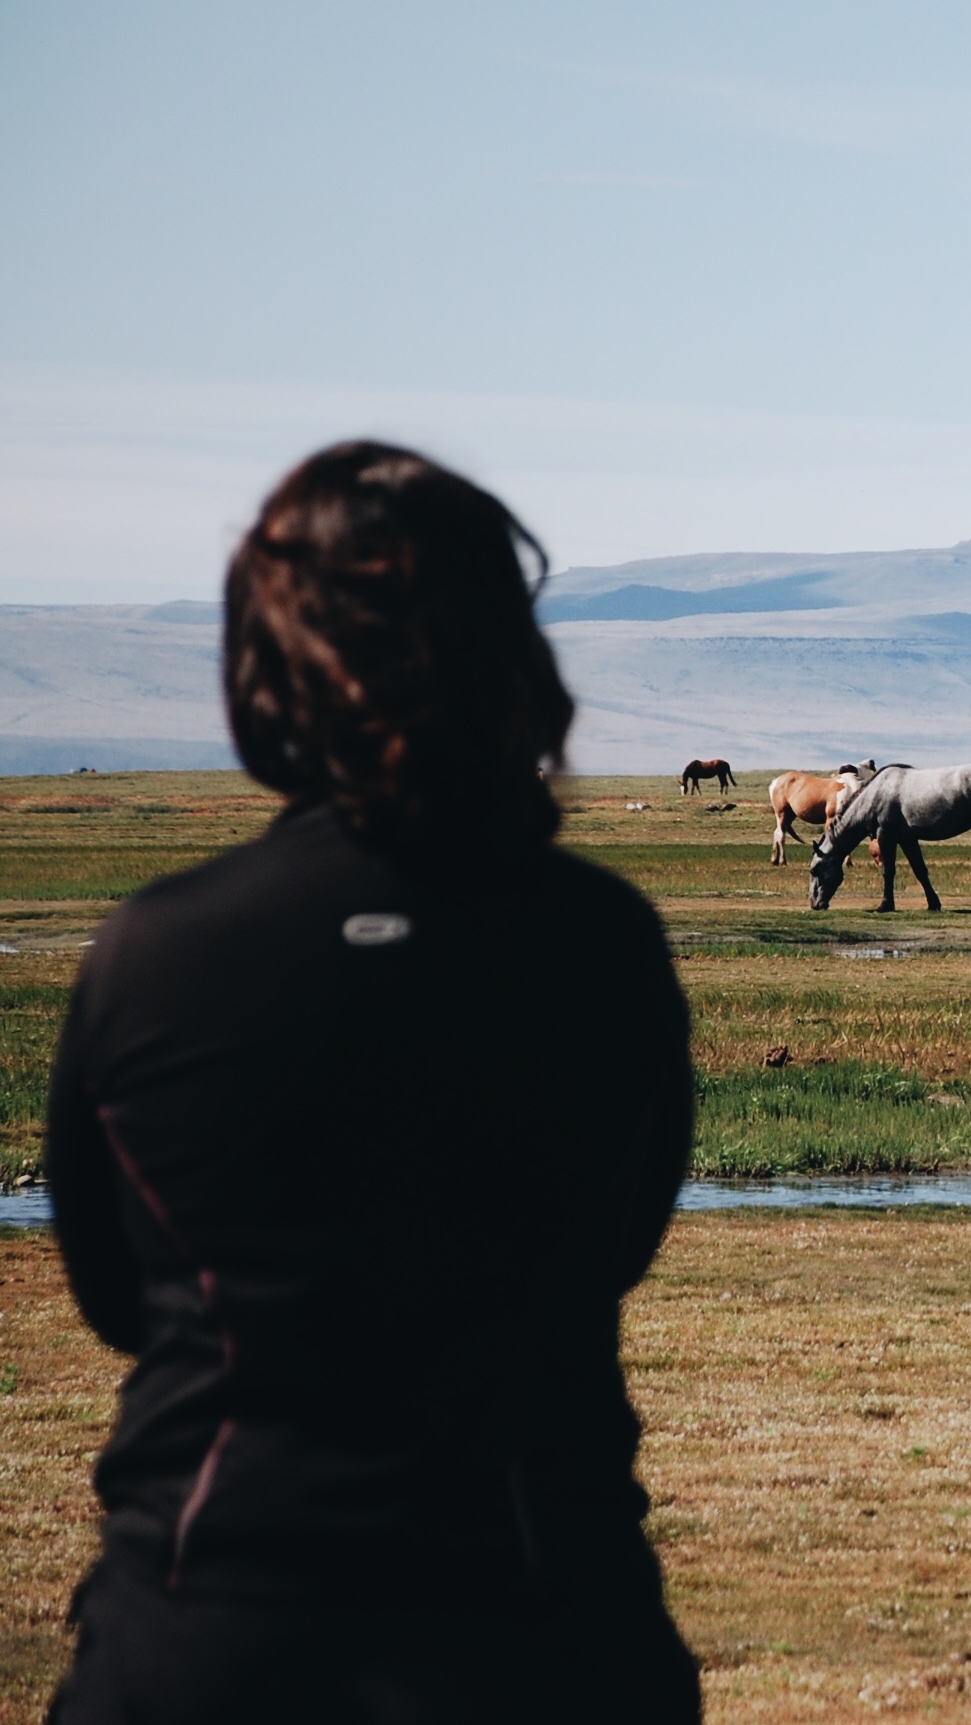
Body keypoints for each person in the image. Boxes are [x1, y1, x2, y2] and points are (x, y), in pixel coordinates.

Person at [46, 444, 699, 1722]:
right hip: (543, 1623)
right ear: (511, 660)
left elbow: (118, 1295)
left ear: (263, 671)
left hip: (206, 1625)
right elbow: (617, 1243)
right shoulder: (596, 940)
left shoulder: (156, 948)